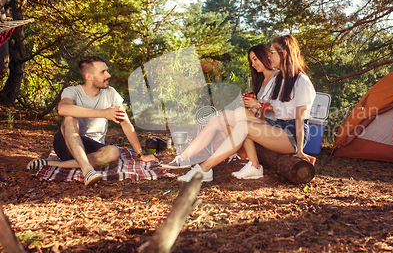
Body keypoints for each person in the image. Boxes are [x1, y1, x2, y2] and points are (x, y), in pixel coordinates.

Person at [177, 34, 316, 182]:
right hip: (276, 126)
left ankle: (204, 168)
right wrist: (258, 105)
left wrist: (300, 150)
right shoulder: (281, 80)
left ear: (284, 54)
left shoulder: (302, 81)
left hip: (290, 134)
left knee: (244, 127)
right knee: (240, 118)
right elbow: (274, 109)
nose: (270, 57)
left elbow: (300, 118)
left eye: (272, 53)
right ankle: (254, 166)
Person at [26, 56, 155, 186]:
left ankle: (52, 163)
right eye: (103, 72)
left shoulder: (111, 93)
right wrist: (103, 113)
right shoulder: (72, 91)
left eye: (107, 71)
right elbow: (63, 109)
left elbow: (126, 124)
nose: (108, 75)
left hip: (93, 148)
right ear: (89, 77)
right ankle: (88, 170)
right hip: (67, 143)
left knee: (114, 152)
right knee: (69, 119)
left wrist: (140, 154)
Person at [162, 44, 278, 177]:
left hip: (269, 126)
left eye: (255, 59)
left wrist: (256, 104)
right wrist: (252, 105)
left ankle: (242, 155)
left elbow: (277, 110)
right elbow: (260, 109)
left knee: (229, 116)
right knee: (216, 118)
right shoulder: (262, 80)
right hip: (258, 121)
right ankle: (182, 158)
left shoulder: (277, 78)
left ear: (265, 57)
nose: (253, 64)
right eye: (251, 60)